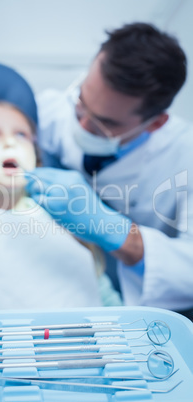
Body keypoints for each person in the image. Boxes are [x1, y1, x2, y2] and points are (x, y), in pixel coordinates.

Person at [25, 22, 193, 317]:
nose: (82, 125)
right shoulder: (56, 108)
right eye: (81, 101)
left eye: (106, 123)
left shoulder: (185, 157)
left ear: (155, 123)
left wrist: (117, 232)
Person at [0, 100, 122, 312]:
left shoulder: (63, 217)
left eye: (21, 135)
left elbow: (107, 301)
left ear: (35, 158)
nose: (10, 142)